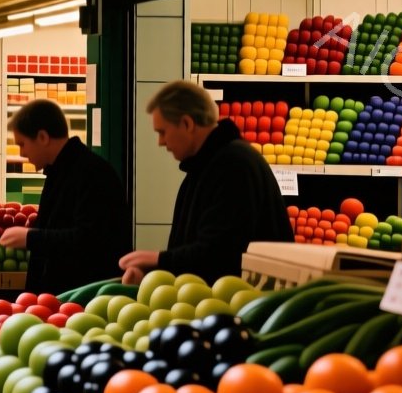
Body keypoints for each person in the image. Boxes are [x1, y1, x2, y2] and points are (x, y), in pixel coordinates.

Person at [119, 80, 290, 284]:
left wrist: (158, 260)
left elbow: (221, 252)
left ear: (187, 124)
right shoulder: (205, 166)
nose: (161, 142)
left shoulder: (234, 165)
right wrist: (153, 272)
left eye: (162, 132)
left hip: (240, 307)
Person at [0, 100, 127, 294]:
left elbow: (88, 239)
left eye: (23, 144)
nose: (22, 153)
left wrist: (31, 238)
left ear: (42, 137)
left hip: (82, 299)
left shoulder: (91, 173)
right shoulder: (61, 171)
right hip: (65, 299)